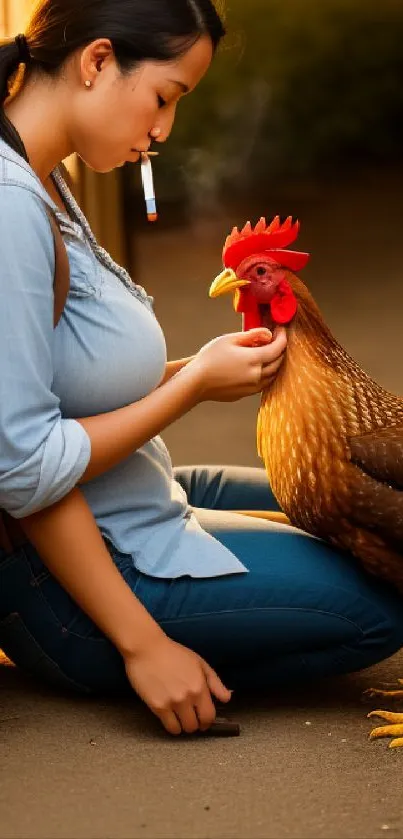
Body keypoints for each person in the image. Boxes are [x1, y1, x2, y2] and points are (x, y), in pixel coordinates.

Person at [0, 0, 402, 739]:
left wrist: (199, 368)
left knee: (323, 500)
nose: (162, 130)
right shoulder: (9, 208)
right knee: (375, 605)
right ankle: (121, 639)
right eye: (164, 98)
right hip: (69, 569)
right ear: (95, 62)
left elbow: (60, 376)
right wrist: (143, 645)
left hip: (131, 488)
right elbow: (21, 468)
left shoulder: (48, 175)